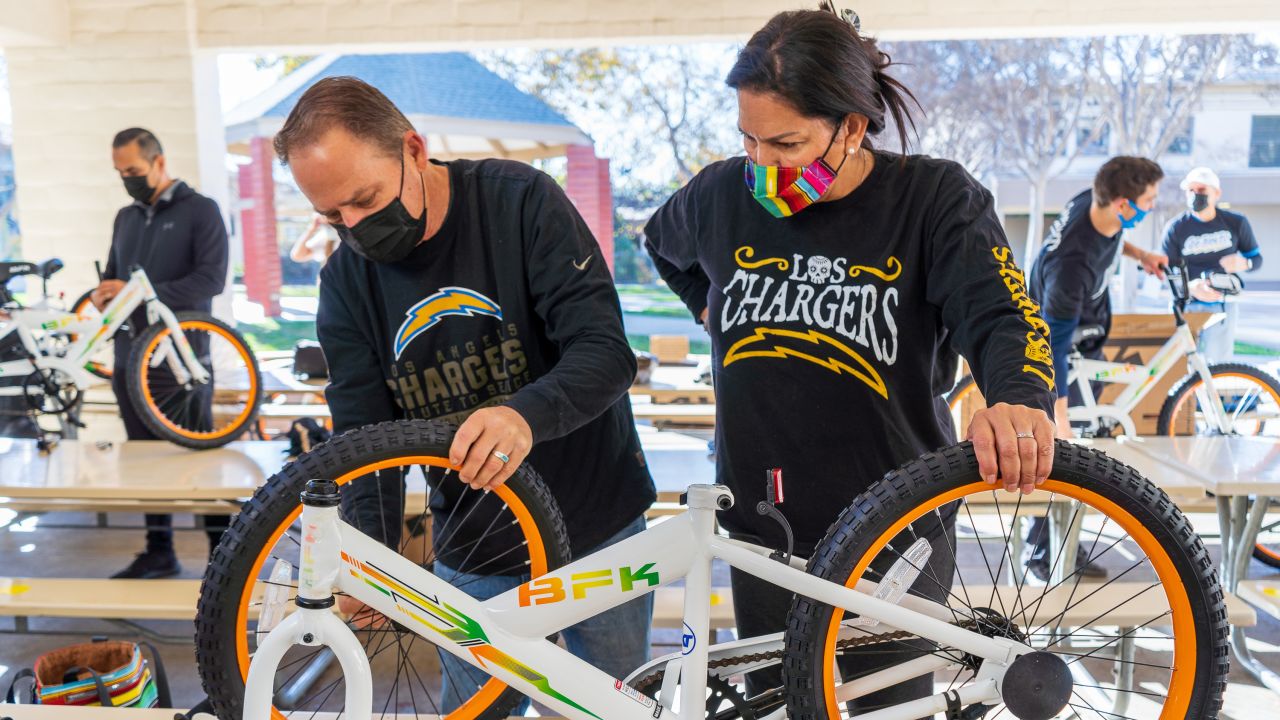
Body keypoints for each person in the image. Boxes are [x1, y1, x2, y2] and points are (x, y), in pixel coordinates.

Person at [644, 5, 1057, 710]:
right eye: (749, 141)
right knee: (783, 703)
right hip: (762, 526)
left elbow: (1002, 314)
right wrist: (708, 307)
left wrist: (1017, 398)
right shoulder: (719, 194)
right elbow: (661, 243)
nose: (763, 167)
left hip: (895, 526)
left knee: (881, 706)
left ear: (852, 127)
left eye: (787, 144)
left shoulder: (933, 200)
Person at [273, 77, 657, 710]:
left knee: (607, 706)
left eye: (366, 200)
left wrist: (522, 415)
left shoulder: (519, 203)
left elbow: (606, 352)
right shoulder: (346, 282)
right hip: (476, 542)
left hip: (598, 527)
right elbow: (363, 435)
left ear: (414, 150)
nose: (356, 228)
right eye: (333, 216)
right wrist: (373, 562)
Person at [95, 128, 230, 579]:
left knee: (200, 463)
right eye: (120, 173)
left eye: (132, 171)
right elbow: (116, 277)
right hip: (130, 361)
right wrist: (107, 294)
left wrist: (139, 294)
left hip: (183, 363)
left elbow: (211, 280)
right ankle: (159, 551)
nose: (127, 180)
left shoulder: (201, 210)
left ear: (158, 161)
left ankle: (222, 559)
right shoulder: (124, 217)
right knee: (144, 461)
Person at [1025, 156, 1167, 582]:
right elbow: (1054, 346)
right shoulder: (1073, 266)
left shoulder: (1094, 202)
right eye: (1149, 200)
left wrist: (1141, 253)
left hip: (1083, 326)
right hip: (1058, 336)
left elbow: (1113, 238)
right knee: (1072, 449)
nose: (1152, 207)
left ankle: (1048, 538)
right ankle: (1045, 551)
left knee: (1088, 435)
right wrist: (1060, 415)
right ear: (1123, 203)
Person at [1162, 166, 1264, 363]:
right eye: (1191, 190)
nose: (1195, 195)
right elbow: (1166, 271)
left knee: (1218, 366)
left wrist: (1245, 263)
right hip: (1186, 305)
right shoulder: (1175, 228)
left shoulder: (1236, 222)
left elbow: (1256, 259)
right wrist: (1190, 288)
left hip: (1222, 304)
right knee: (1179, 366)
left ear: (1216, 193)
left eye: (1201, 190)